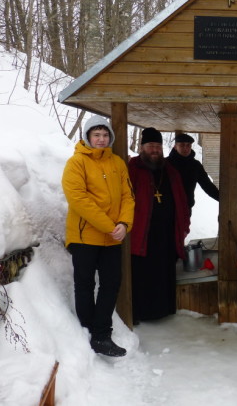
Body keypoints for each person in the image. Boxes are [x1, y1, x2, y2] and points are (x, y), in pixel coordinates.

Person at [62, 115, 134, 357]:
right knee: (85, 285)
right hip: (84, 237)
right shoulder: (76, 163)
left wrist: (124, 224)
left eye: (105, 135)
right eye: (96, 135)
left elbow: (128, 196)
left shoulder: (118, 163)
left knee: (111, 283)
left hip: (113, 236)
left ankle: (102, 335)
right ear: (88, 137)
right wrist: (109, 225)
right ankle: (87, 332)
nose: (101, 139)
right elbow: (78, 199)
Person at [128, 128, 190, 323]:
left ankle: (164, 310)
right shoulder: (133, 168)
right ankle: (141, 312)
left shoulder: (170, 170)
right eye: (150, 146)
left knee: (164, 272)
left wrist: (183, 223)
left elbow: (181, 199)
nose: (154, 150)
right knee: (142, 274)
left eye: (157, 146)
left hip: (166, 233)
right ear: (142, 147)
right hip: (142, 233)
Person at [167, 133, 219, 214]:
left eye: (188, 145)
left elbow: (207, 185)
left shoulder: (195, 166)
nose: (185, 148)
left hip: (186, 210)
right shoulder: (165, 164)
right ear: (175, 146)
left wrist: (223, 199)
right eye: (182, 145)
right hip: (166, 209)